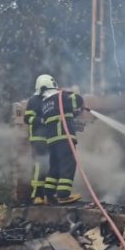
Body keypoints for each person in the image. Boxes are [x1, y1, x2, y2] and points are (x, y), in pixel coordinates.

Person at [38, 75, 86, 205]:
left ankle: (49, 194)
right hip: (64, 138)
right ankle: (63, 195)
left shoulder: (45, 104)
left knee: (54, 167)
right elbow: (78, 100)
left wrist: (75, 113)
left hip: (52, 141)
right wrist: (74, 91)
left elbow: (63, 113)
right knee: (68, 165)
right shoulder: (60, 97)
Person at [24, 76, 52, 205]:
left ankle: (47, 194)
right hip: (38, 138)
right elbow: (27, 118)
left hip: (49, 138)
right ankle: (36, 194)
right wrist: (40, 120)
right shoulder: (34, 100)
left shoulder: (49, 99)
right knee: (39, 166)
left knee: (49, 166)